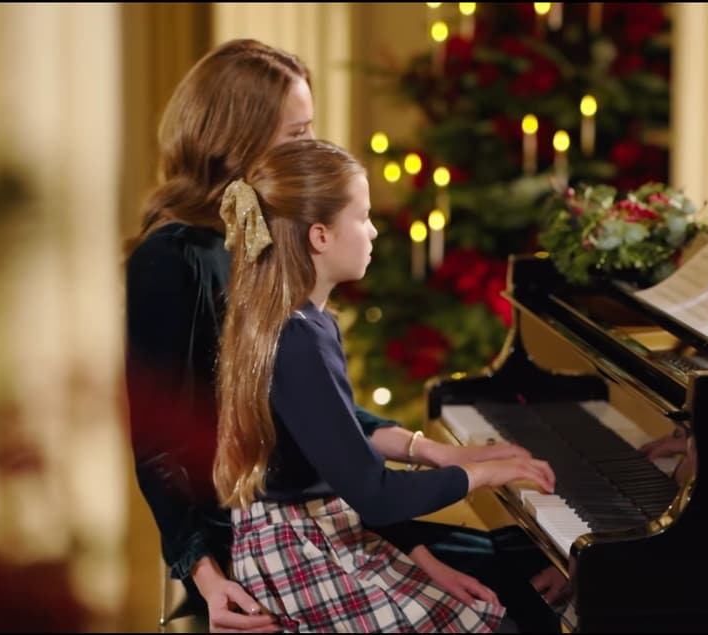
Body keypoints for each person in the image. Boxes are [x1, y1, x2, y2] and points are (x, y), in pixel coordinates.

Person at [125, 38, 559, 633]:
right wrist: (205, 576)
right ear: (237, 138)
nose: (311, 149)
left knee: (518, 562)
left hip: (321, 509)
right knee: (514, 587)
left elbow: (317, 421)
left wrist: (425, 476)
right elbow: (158, 446)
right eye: (297, 134)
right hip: (248, 532)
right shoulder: (173, 257)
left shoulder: (280, 262)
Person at [212, 138, 557, 632]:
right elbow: (374, 492)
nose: (374, 231)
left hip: (314, 527)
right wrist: (483, 473)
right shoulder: (298, 339)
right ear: (320, 236)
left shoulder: (299, 322)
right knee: (495, 620)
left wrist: (444, 474)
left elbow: (344, 448)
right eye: (363, 216)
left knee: (492, 601)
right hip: (300, 550)